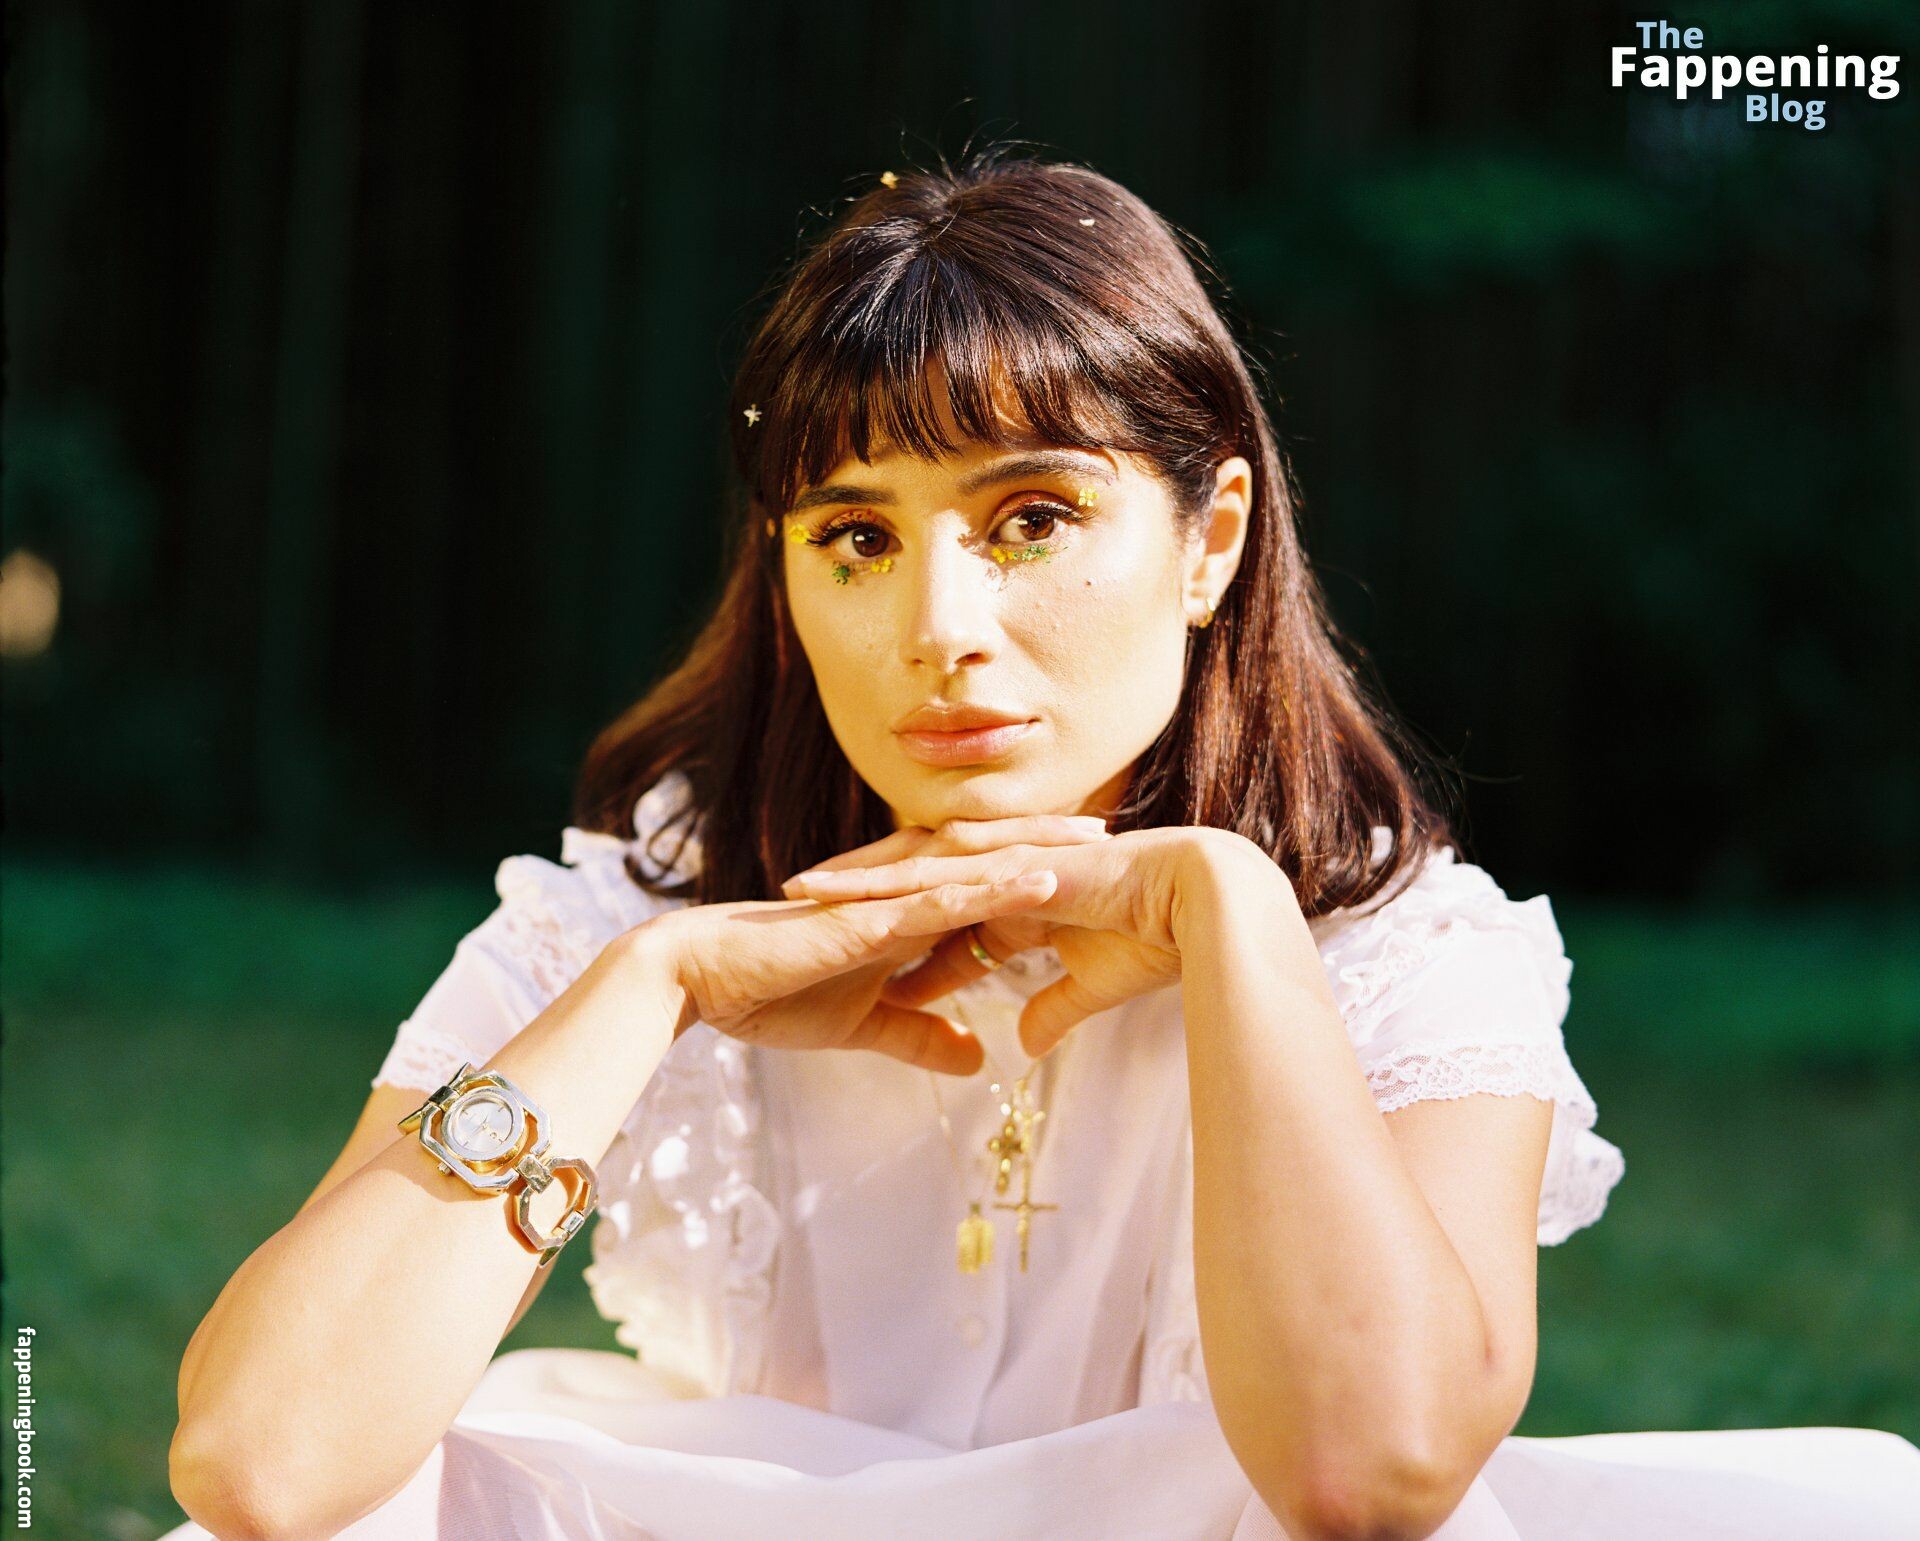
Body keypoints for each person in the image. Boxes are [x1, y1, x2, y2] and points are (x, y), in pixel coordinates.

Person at [162, 148, 1920, 1541]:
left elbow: (1371, 1476)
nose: (942, 627)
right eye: (856, 537)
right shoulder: (629, 913)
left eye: (1031, 518)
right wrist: (656, 986)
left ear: (1211, 538)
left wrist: (1230, 917)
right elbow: (261, 1464)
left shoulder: (1405, 947)